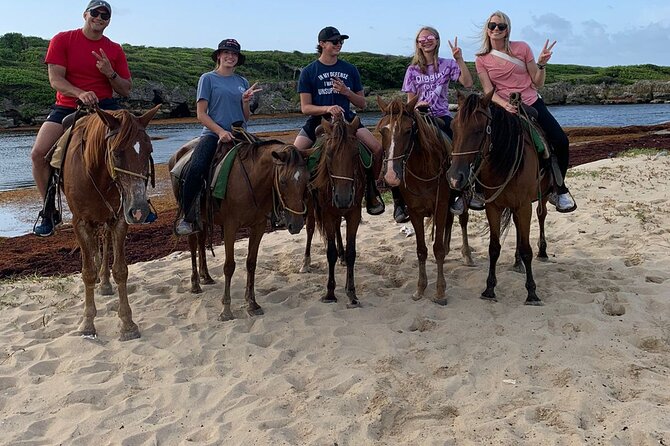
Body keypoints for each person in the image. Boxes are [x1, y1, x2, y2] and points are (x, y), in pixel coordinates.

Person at [31, 0, 132, 236]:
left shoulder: (115, 49)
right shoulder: (62, 40)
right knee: (38, 154)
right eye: (95, 13)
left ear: (109, 21)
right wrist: (80, 93)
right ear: (85, 14)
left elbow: (126, 89)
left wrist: (110, 73)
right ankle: (48, 210)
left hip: (106, 106)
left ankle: (137, 200)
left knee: (134, 144)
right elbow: (56, 80)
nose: (99, 17)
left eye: (105, 15)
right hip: (68, 106)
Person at [475, 10, 577, 213]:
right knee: (478, 140)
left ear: (507, 30)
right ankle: (477, 190)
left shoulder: (522, 48)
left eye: (501, 26)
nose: (496, 29)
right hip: (501, 106)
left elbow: (537, 82)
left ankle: (559, 189)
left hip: (530, 101)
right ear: (487, 30)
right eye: (492, 26)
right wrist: (504, 105)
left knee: (560, 141)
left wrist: (541, 64)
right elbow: (488, 90)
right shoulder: (481, 59)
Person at [293, 26, 385, 216]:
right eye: (335, 41)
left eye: (341, 41)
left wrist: (346, 92)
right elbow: (305, 107)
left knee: (377, 149)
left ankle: (371, 191)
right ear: (322, 44)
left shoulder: (350, 69)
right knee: (293, 155)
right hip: (318, 121)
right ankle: (299, 201)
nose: (339, 45)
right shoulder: (309, 71)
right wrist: (327, 108)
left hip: (347, 120)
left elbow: (362, 104)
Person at [174, 38, 262, 236]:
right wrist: (220, 132)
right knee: (196, 169)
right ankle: (188, 217)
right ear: (219, 56)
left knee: (271, 161)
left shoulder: (242, 82)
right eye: (226, 53)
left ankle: (272, 211)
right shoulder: (208, 78)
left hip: (241, 134)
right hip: (214, 134)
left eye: (234, 54)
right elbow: (201, 114)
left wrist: (246, 101)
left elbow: (245, 117)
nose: (230, 57)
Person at [401, 26, 477, 216]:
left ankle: (462, 193)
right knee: (398, 150)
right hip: (419, 117)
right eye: (422, 39)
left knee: (458, 149)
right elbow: (410, 101)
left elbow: (468, 83)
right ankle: (399, 201)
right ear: (417, 44)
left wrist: (459, 59)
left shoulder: (447, 64)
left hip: (441, 116)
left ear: (437, 40)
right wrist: (417, 106)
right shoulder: (412, 70)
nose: (426, 41)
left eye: (430, 37)